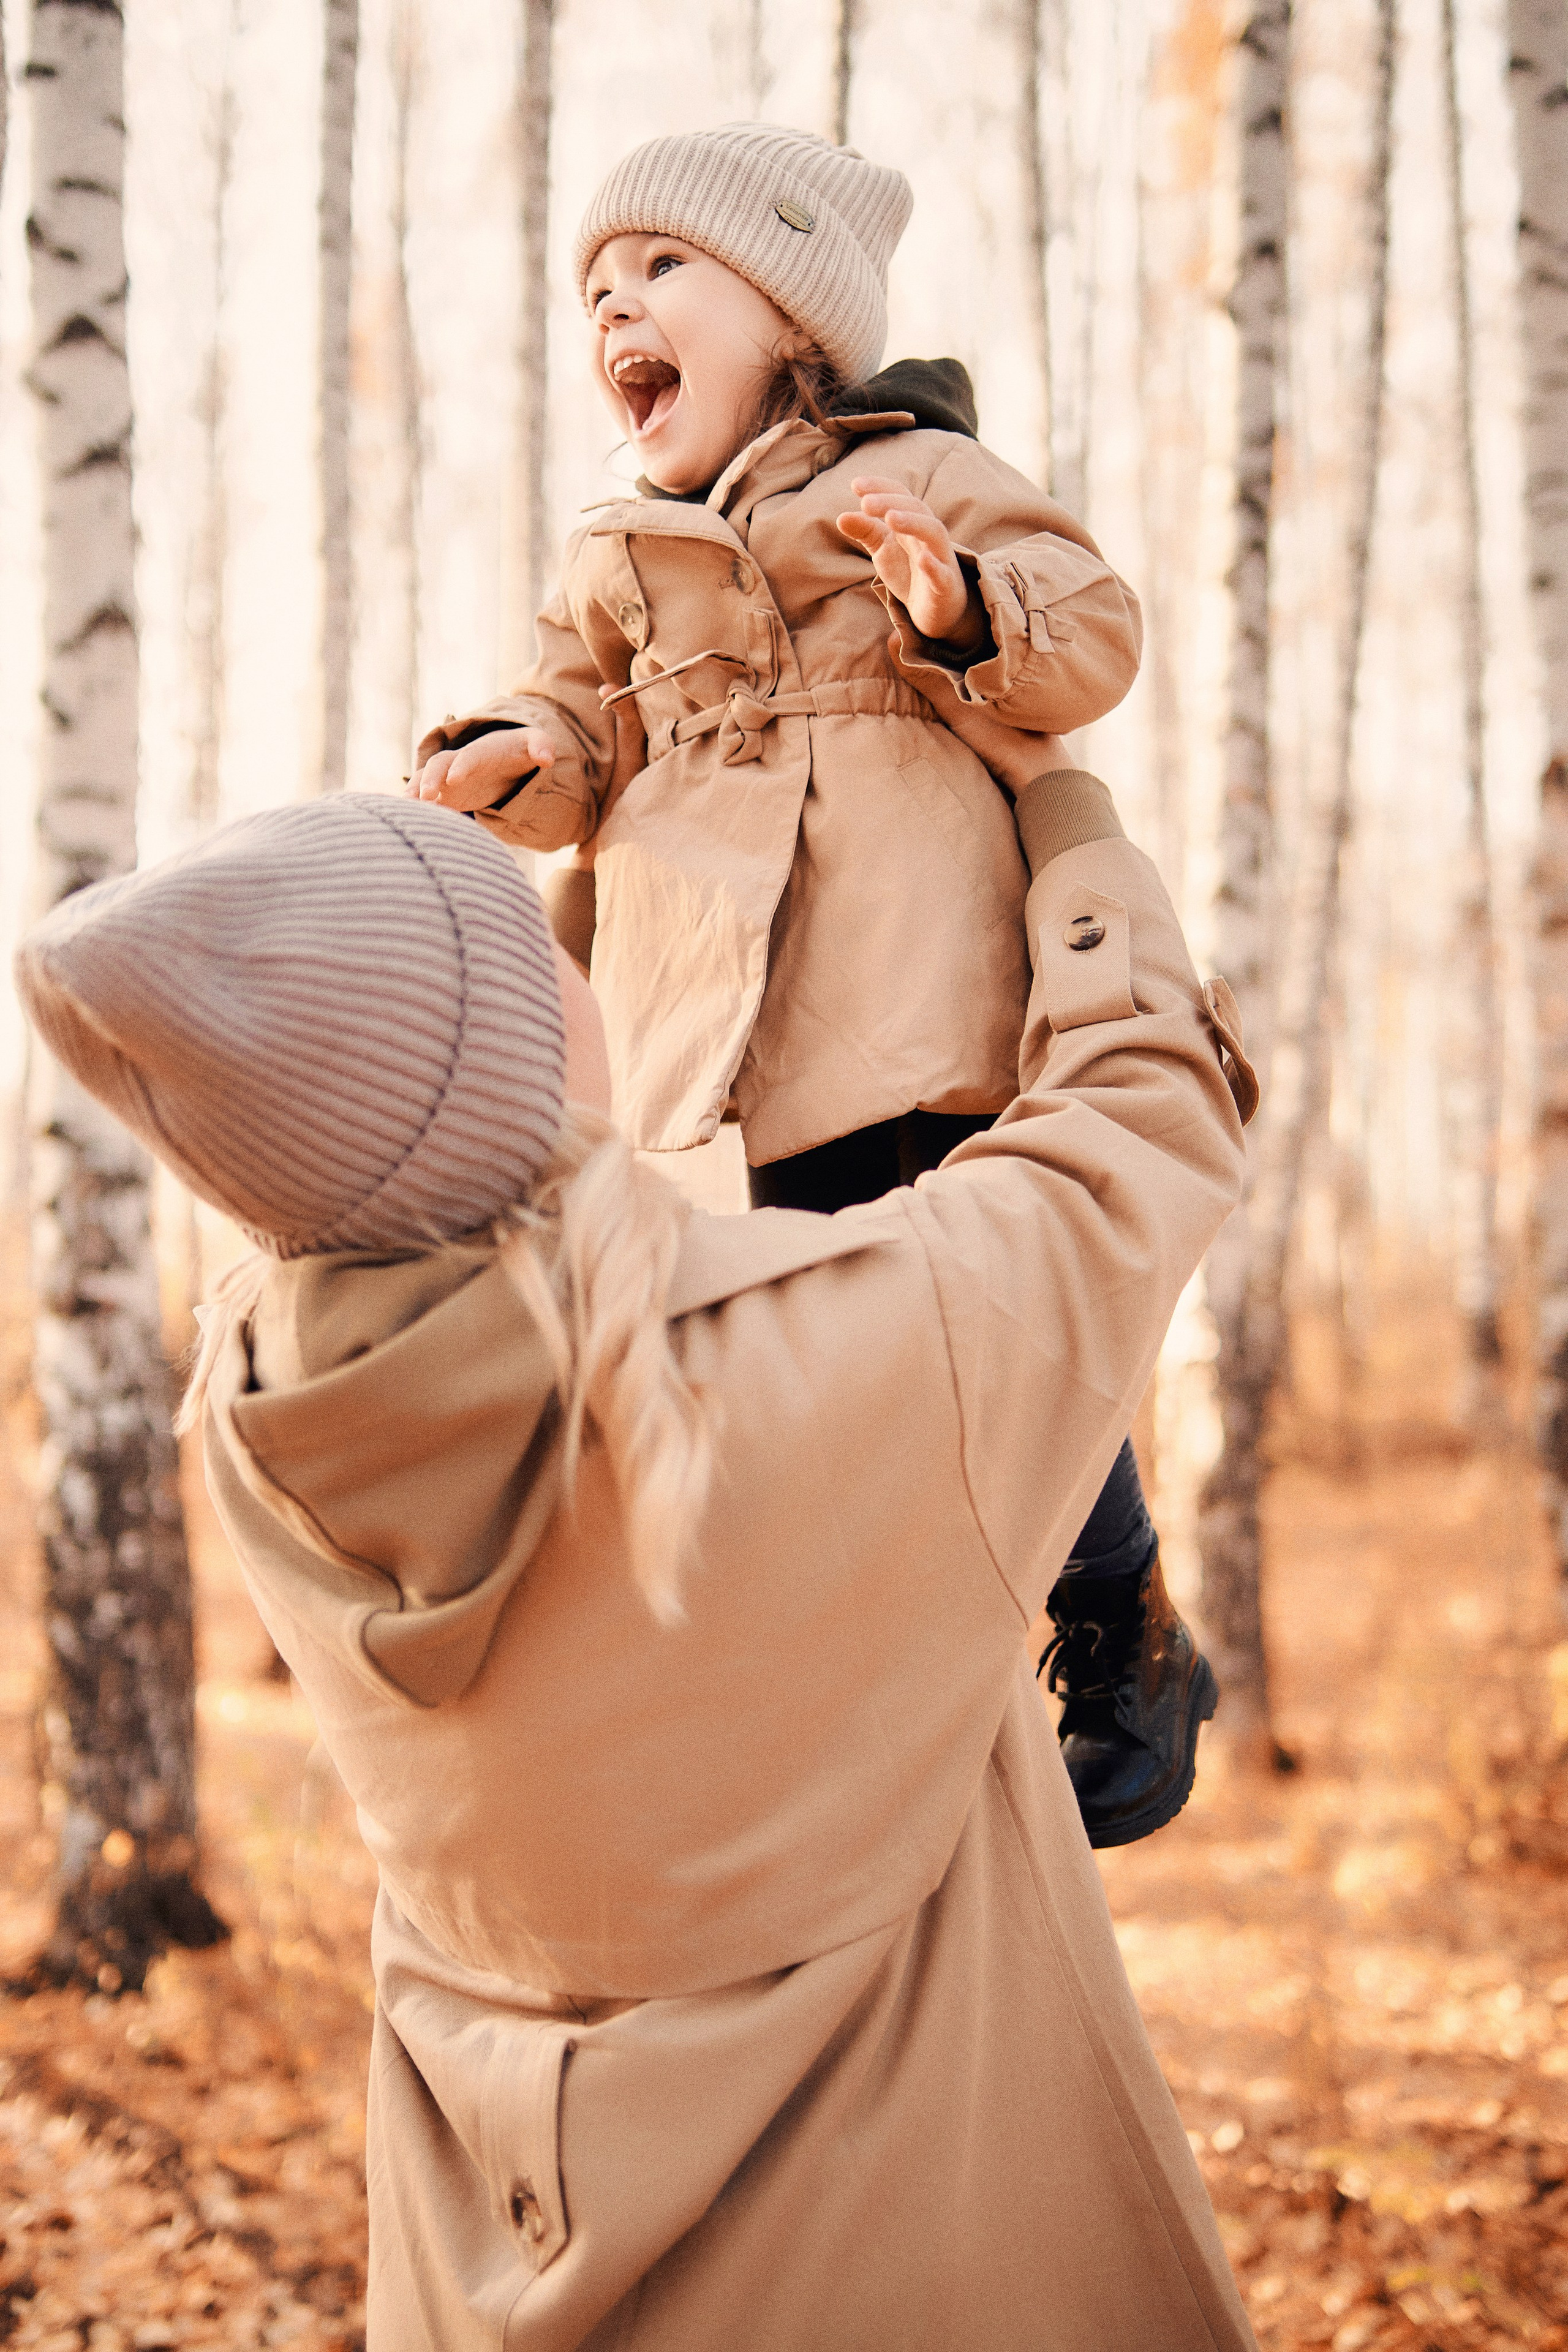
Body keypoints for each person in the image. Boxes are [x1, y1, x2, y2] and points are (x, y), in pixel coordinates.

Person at [16, 783, 1258, 2350]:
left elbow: (446, 1169)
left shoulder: (271, 1424)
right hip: (906, 2275)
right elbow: (1138, 1136)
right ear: (508, 1059)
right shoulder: (837, 1352)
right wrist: (1061, 806)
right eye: (531, 962)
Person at [410, 123, 1232, 1847]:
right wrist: (512, 759)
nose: (614, 310)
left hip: (906, 967)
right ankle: (849, 1697)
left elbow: (1093, 628)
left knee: (979, 1305)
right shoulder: (615, 558)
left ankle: (1118, 1619)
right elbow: (578, 731)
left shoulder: (909, 468)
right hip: (706, 1018)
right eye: (594, 290)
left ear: (790, 314)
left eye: (660, 270)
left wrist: (955, 604)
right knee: (770, 1361)